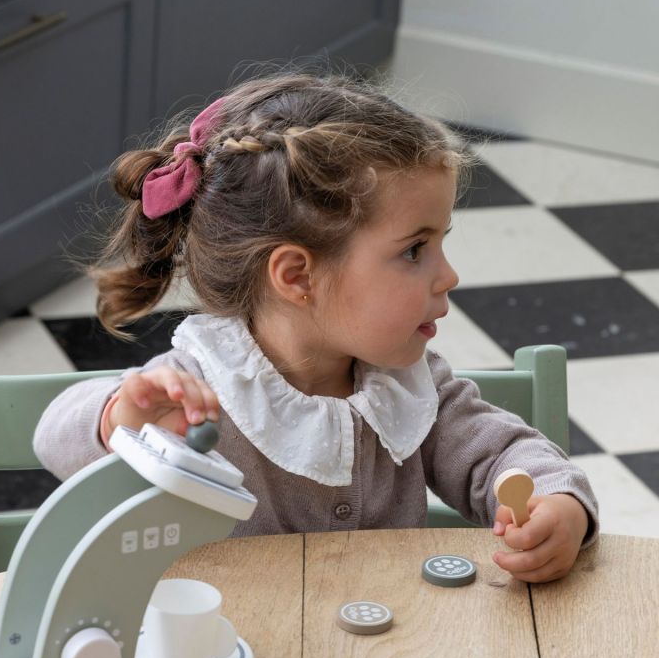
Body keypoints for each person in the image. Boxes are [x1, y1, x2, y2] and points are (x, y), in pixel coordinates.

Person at [34, 71, 598, 583]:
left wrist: (557, 505)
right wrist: (121, 424)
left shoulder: (410, 386)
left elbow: (502, 456)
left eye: (440, 244)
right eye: (414, 251)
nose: (448, 275)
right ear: (298, 275)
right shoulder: (201, 390)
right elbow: (55, 438)